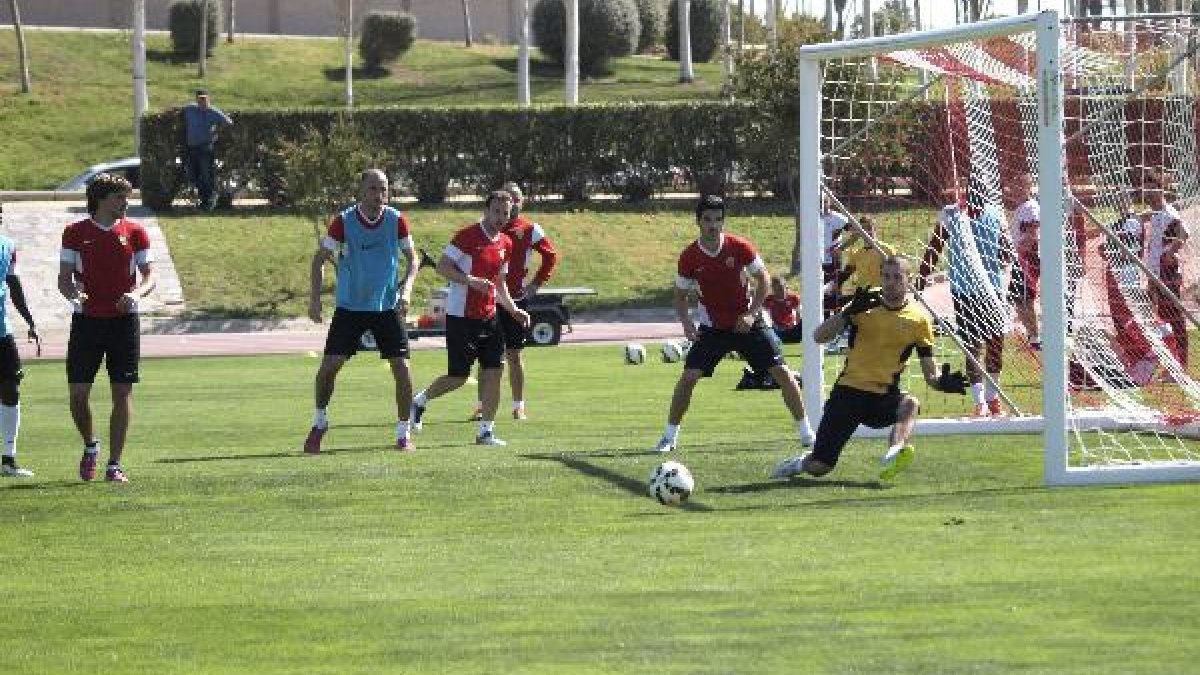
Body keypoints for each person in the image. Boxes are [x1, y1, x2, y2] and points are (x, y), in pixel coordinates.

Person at [770, 255, 967, 481]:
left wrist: (942, 381)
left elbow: (930, 374)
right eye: (886, 276)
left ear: (909, 280)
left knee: (910, 404)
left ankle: (895, 451)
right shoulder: (864, 303)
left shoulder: (919, 320)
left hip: (882, 397)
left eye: (897, 277)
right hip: (847, 394)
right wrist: (848, 312)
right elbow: (818, 337)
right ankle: (800, 463)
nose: (890, 282)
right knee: (820, 467)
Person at [650, 195, 815, 453]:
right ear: (698, 222)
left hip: (748, 323)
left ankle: (807, 434)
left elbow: (764, 280)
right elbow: (680, 296)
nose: (713, 225)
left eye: (718, 220)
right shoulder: (689, 257)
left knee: (783, 373)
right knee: (688, 377)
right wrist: (686, 323)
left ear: (723, 221)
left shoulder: (739, 247)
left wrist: (751, 314)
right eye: (707, 220)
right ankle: (669, 437)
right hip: (713, 328)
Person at [303, 169, 419, 454]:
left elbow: (413, 260)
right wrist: (315, 299)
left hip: (386, 307)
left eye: (384, 189)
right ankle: (320, 422)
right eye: (373, 189)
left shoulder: (396, 220)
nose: (379, 195)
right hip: (350, 306)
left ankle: (403, 433)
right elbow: (319, 260)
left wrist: (406, 290)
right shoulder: (343, 222)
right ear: (360, 191)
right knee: (329, 367)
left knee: (402, 369)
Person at [410, 191, 530, 446]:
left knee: (495, 370)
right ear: (486, 210)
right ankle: (420, 400)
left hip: (489, 317)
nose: (500, 217)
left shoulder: (506, 243)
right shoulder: (466, 236)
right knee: (458, 377)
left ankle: (486, 431)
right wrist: (470, 281)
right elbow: (442, 266)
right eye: (496, 211)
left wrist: (513, 310)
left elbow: (500, 284)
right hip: (460, 317)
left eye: (505, 214)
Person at [58, 173, 156, 483]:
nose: (126, 203)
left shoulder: (136, 232)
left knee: (122, 392)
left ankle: (114, 465)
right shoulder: (74, 232)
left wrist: (136, 294)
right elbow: (64, 279)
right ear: (100, 199)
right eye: (119, 197)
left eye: (126, 197)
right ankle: (91, 446)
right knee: (77, 395)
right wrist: (76, 296)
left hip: (124, 324)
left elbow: (149, 276)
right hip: (87, 322)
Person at [470, 182, 558, 421]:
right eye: (510, 199)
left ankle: (518, 405)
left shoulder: (530, 229)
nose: (514, 203)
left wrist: (536, 285)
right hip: (488, 301)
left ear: (521, 202)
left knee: (515, 355)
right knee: (486, 356)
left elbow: (551, 257)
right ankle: (480, 405)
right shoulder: (485, 228)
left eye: (517, 199)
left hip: (516, 301)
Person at [920, 184, 1010, 417]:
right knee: (972, 346)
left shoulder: (995, 214)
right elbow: (934, 247)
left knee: (996, 345)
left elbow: (1006, 252)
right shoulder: (951, 214)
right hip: (963, 291)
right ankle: (979, 401)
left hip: (992, 290)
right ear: (966, 197)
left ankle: (992, 398)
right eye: (972, 198)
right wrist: (921, 278)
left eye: (980, 198)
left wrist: (1005, 248)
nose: (976, 204)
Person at [0, 204, 41, 478]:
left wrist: (29, 320)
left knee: (11, 388)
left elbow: (12, 282)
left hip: (2, 332)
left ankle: (8, 458)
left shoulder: (7, 245)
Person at [1143, 173, 1190, 367]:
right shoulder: (1155, 214)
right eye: (1146, 189)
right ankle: (1170, 362)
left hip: (1166, 272)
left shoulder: (1169, 213)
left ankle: (1181, 363)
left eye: (1152, 188)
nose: (1148, 193)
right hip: (1154, 273)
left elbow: (1184, 233)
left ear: (1161, 190)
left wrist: (1169, 252)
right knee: (1159, 317)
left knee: (1173, 317)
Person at [180, 89, 233, 211]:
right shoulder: (189, 109)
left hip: (205, 148)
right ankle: (204, 199)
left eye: (205, 99)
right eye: (200, 99)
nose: (203, 101)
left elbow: (229, 122)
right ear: (196, 100)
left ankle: (209, 200)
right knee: (192, 175)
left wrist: (215, 132)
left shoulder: (213, 111)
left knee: (205, 174)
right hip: (191, 148)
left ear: (208, 99)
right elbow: (177, 111)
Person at [1005, 173, 1041, 350]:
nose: (1015, 190)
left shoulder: (1030, 208)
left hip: (1028, 258)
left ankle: (1035, 337)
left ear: (1028, 187)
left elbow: (1032, 235)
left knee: (1025, 298)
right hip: (1021, 257)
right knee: (1018, 297)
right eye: (1014, 186)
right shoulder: (1022, 207)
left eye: (1020, 186)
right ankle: (1033, 336)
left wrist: (1018, 252)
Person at [764, 276, 803, 344]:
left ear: (786, 287)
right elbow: (765, 317)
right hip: (776, 331)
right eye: (776, 290)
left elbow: (799, 314)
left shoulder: (793, 298)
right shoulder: (768, 300)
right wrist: (773, 326)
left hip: (792, 329)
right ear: (772, 289)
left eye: (781, 288)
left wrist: (795, 325)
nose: (779, 292)